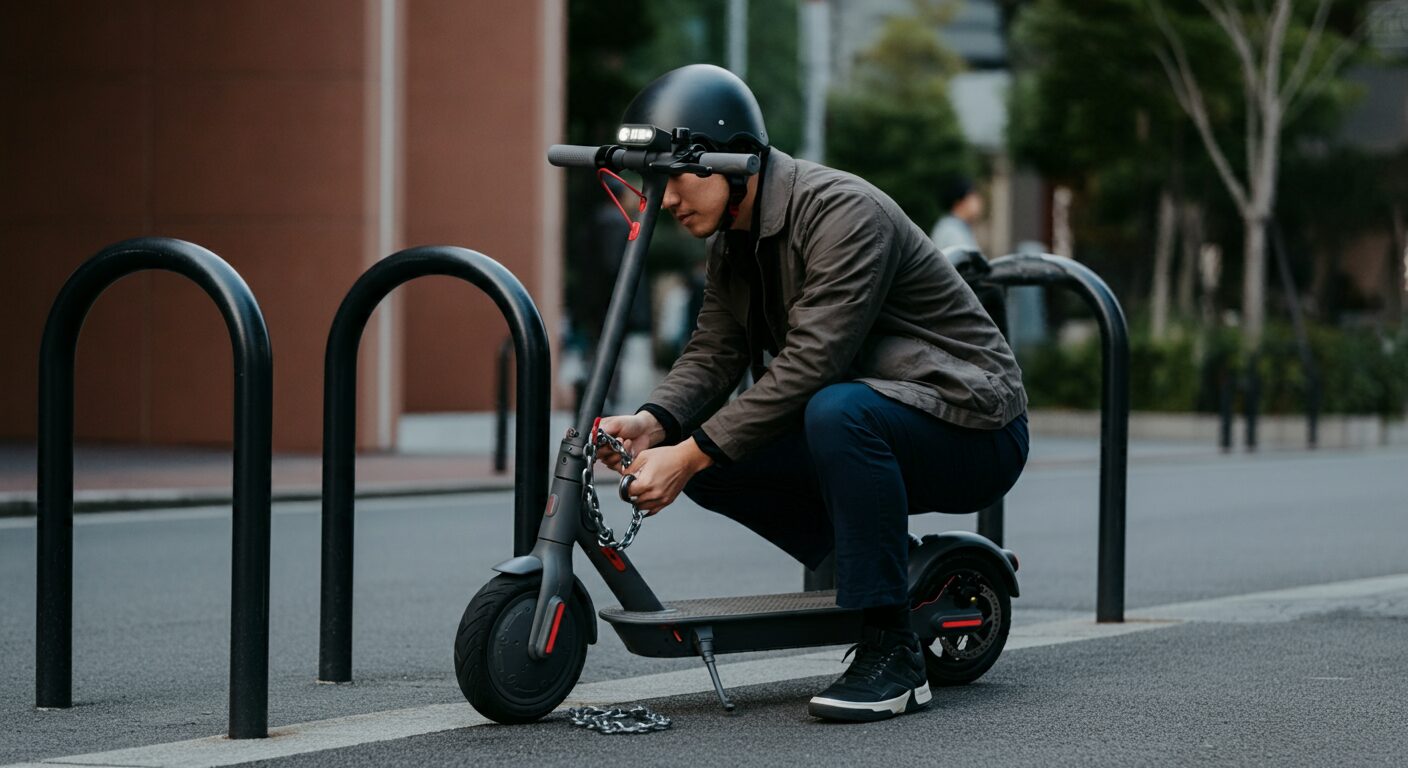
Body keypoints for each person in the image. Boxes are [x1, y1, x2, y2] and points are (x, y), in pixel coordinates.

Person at [594, 64, 1029, 722]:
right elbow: (714, 351)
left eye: (675, 177)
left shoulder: (843, 213)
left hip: (974, 425)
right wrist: (655, 425)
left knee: (819, 413)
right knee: (710, 452)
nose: (666, 198)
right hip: (875, 415)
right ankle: (882, 565)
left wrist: (691, 454)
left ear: (733, 160)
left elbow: (813, 362)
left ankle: (894, 655)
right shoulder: (733, 241)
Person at [930, 177, 983, 251]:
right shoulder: (951, 230)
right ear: (960, 202)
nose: (978, 200)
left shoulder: (955, 226)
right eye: (973, 196)